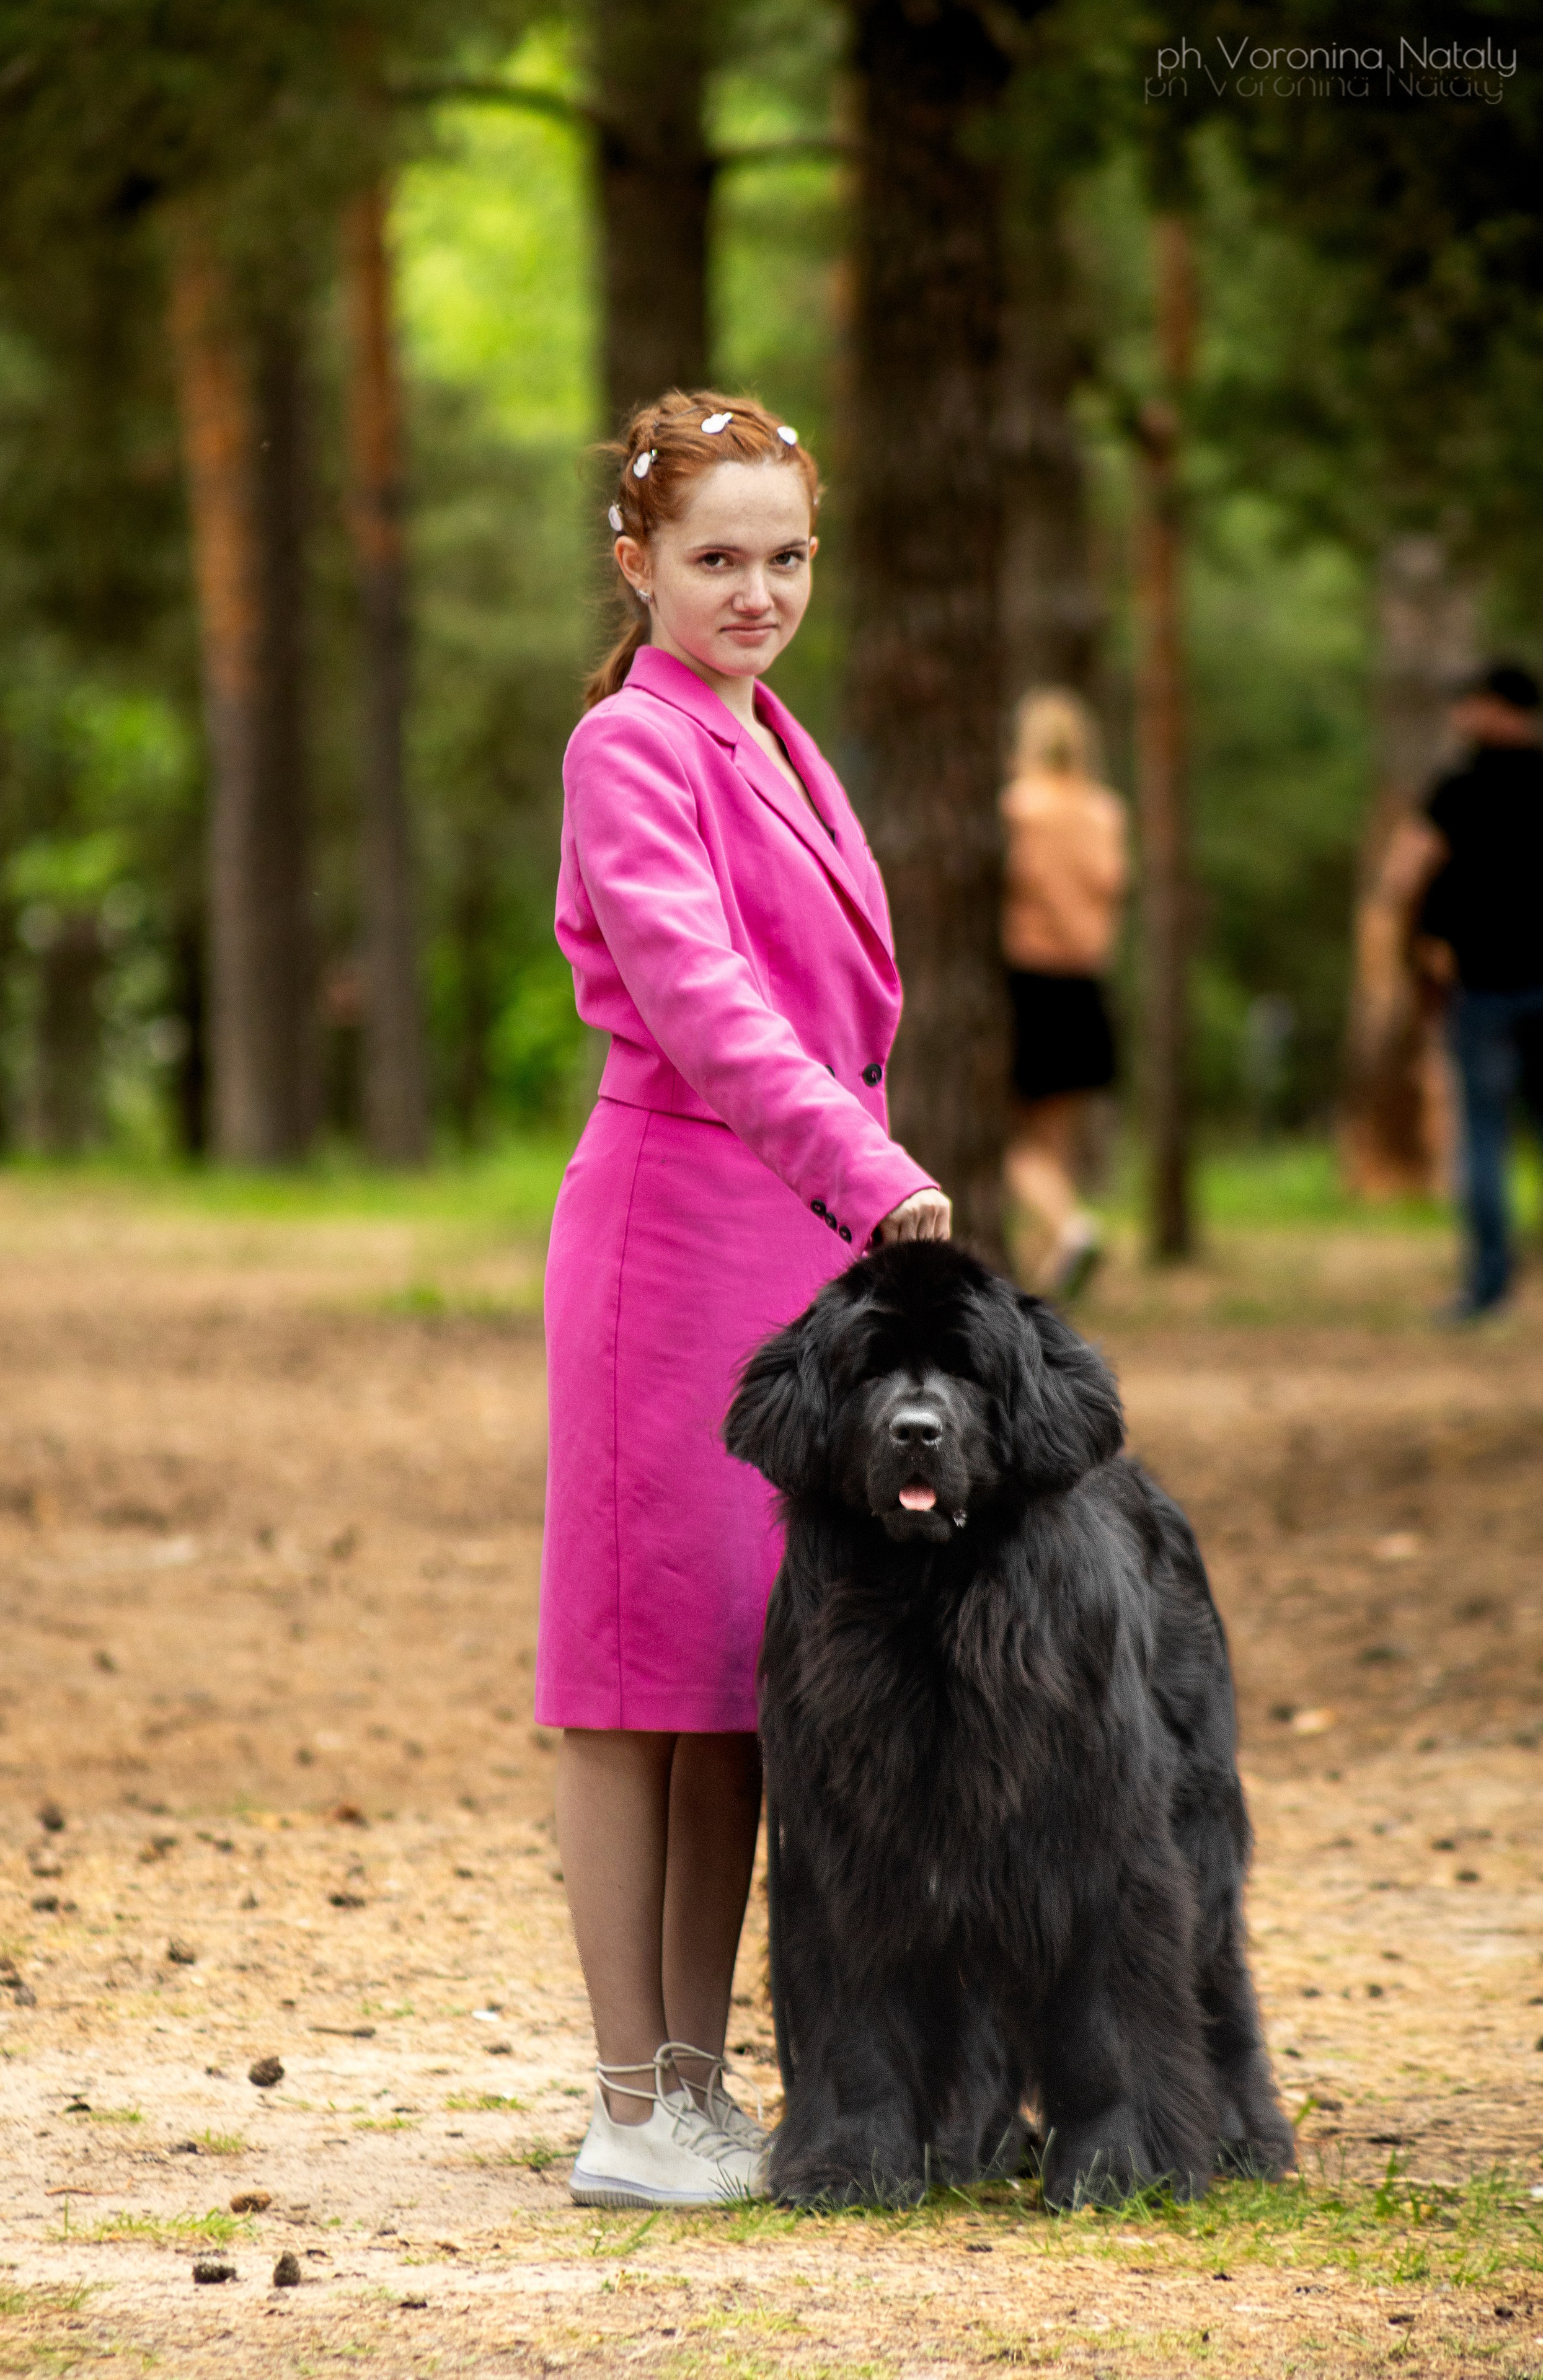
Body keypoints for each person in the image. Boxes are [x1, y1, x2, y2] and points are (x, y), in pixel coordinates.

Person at [536, 390, 949, 2208]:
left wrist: (855, 1207)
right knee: (633, 1684)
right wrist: (882, 1180)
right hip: (671, 1238)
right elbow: (709, 1010)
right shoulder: (629, 746)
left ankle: (700, 2089)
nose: (759, 589)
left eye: (786, 554)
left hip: (794, 1252)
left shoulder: (773, 733)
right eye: (717, 558)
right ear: (636, 564)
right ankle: (628, 2098)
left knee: (741, 1682)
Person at [1379, 661, 1543, 1319]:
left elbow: (1402, 877)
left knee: (1481, 1138)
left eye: (1472, 704)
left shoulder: (1457, 789)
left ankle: (1486, 1285)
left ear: (1501, 708)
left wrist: (1413, 952)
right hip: (1506, 985)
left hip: (1480, 989)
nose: (1461, 718)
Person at [998, 688, 1129, 1298]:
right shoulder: (1105, 812)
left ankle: (1069, 1228)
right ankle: (1047, 1268)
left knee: (1006, 1138)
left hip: (1028, 979)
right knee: (1055, 1138)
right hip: (1086, 981)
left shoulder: (1019, 809)